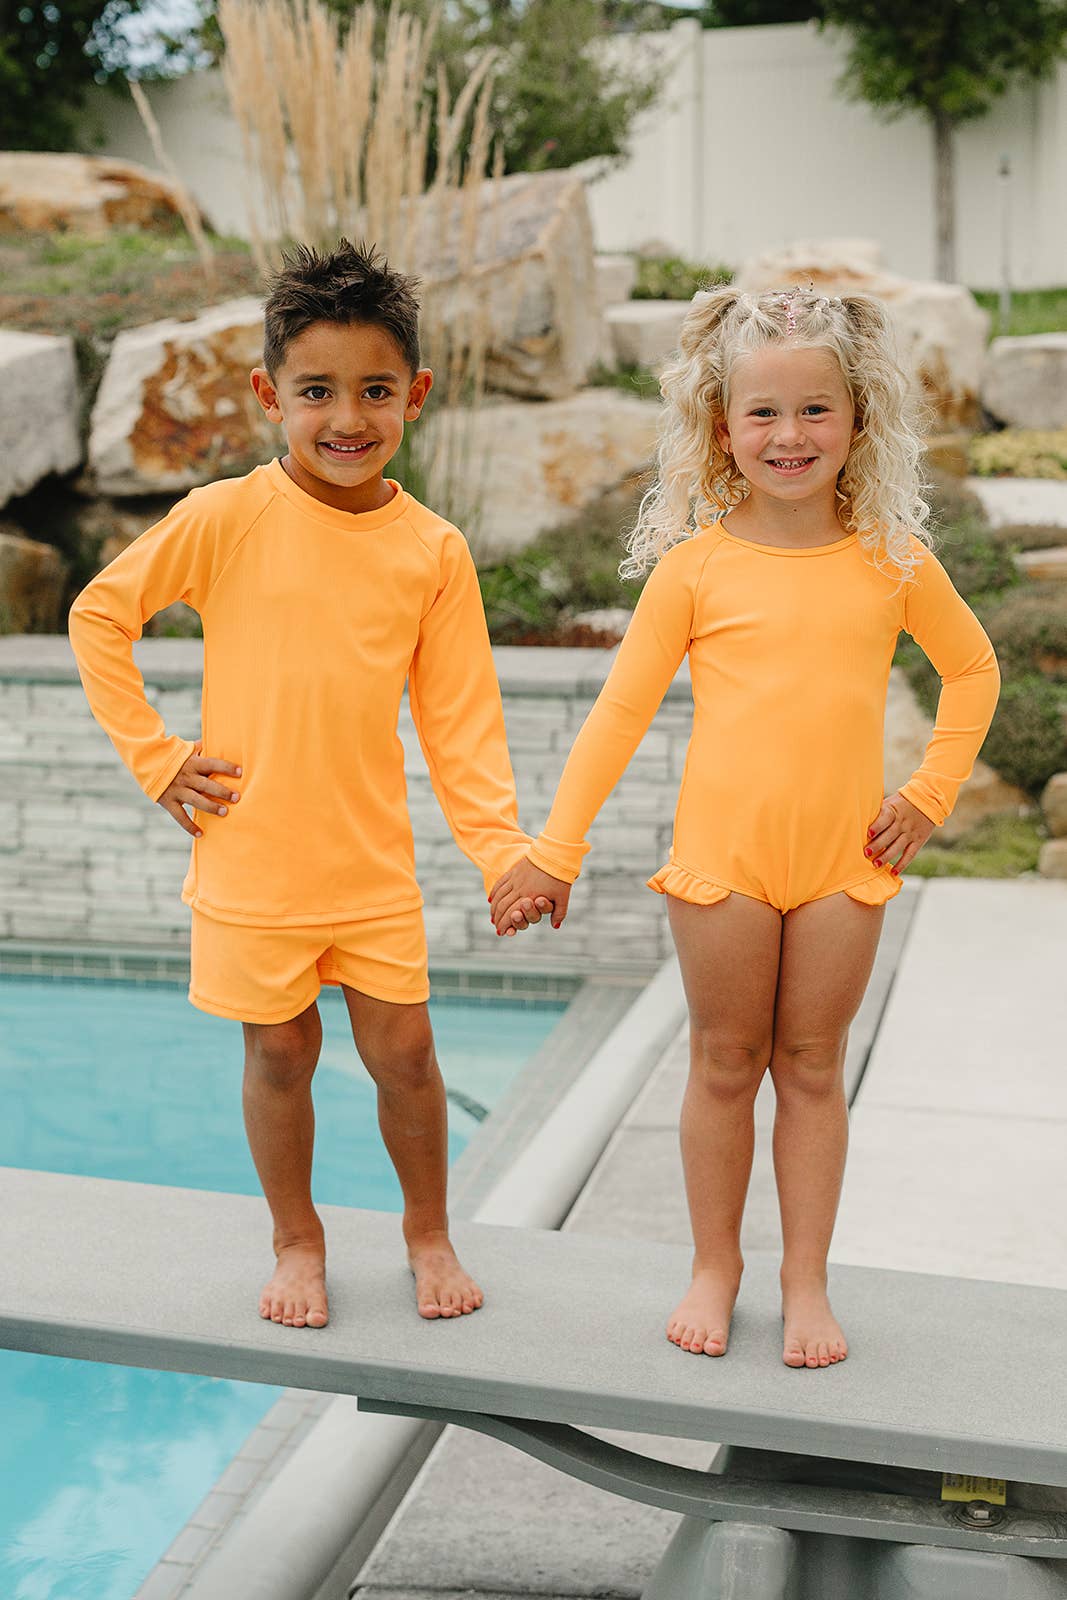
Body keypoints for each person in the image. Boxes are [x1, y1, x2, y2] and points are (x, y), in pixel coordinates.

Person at [489, 287, 1000, 1369]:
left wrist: (927, 793)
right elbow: (617, 714)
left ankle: (803, 1278)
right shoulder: (694, 568)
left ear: (857, 421)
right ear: (719, 427)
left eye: (814, 411)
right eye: (761, 413)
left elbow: (972, 670)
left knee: (811, 1065)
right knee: (724, 1060)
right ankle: (711, 1264)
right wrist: (553, 849)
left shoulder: (890, 558)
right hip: (721, 864)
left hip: (837, 862)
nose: (788, 435)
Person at [69, 240, 540, 1332]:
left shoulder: (432, 551)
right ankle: (297, 1237)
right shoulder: (223, 517)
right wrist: (157, 755)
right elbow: (101, 616)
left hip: (367, 864)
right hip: (252, 859)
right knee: (280, 1051)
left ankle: (427, 1230)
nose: (346, 416)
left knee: (407, 1053)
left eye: (375, 390)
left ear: (413, 396)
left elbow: (460, 722)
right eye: (317, 390)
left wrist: (500, 849)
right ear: (268, 394)